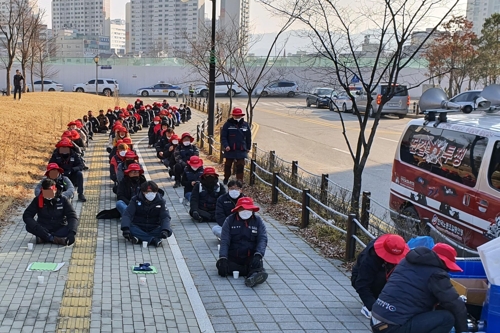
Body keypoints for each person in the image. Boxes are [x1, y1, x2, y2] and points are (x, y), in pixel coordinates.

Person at [370, 243, 468, 333]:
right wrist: (463, 330)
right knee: (447, 318)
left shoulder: (406, 262)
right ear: (444, 262)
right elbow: (455, 304)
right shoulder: (437, 274)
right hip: (393, 326)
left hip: (376, 319)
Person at [351, 234, 410, 319]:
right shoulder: (370, 257)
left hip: (386, 275)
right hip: (364, 277)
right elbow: (361, 284)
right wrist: (373, 307)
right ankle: (369, 304)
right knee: (379, 279)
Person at [216, 197, 268, 287]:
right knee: (221, 266)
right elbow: (225, 240)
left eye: (248, 209)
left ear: (252, 209)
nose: (245, 211)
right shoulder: (229, 220)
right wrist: (223, 257)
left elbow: (262, 239)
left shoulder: (258, 221)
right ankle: (251, 272)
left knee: (257, 264)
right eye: (242, 208)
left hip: (250, 257)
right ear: (237, 209)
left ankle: (252, 277)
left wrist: (259, 254)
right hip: (233, 257)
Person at [23, 179, 79, 245]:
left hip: (59, 227)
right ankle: (52, 238)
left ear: (55, 190)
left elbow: (72, 216)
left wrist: (72, 232)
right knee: (29, 226)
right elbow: (27, 215)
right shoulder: (38, 200)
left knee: (73, 227)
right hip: (43, 228)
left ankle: (44, 238)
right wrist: (38, 228)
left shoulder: (63, 200)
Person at [121, 181, 172, 247]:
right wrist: (125, 228)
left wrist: (165, 230)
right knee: (130, 228)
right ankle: (153, 240)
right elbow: (127, 214)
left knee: (169, 231)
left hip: (154, 227)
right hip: (138, 226)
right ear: (143, 192)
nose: (150, 194)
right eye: (147, 192)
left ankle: (140, 238)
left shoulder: (161, 201)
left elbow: (165, 216)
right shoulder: (135, 200)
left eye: (153, 192)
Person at [221, 108, 252, 184]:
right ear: (233, 115)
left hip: (241, 149)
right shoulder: (227, 124)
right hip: (230, 149)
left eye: (239, 115)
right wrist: (226, 145)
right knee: (228, 165)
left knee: (240, 166)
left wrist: (248, 147)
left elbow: (248, 137)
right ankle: (226, 178)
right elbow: (223, 137)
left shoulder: (245, 125)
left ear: (241, 115)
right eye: (236, 115)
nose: (237, 117)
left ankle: (239, 181)